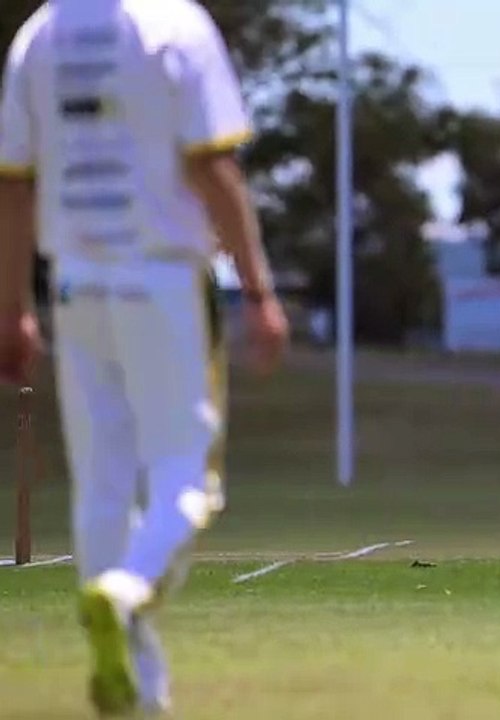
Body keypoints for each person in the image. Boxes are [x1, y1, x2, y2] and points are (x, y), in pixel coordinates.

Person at [0, 0, 289, 715]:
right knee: (189, 480)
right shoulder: (175, 24)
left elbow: (14, 184)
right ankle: (127, 590)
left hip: (74, 283)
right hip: (162, 278)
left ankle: (136, 693)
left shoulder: (37, 35)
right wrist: (258, 290)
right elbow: (214, 166)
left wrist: (13, 308)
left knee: (103, 482)